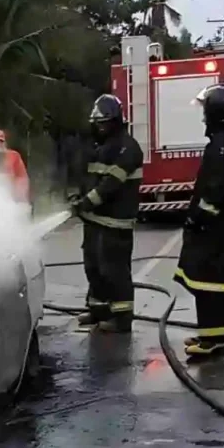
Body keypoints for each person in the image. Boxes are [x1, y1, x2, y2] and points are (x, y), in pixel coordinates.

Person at [176, 83, 224, 357]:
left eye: (206, 110)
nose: (204, 116)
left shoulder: (223, 145)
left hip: (216, 230)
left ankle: (212, 340)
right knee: (220, 286)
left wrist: (198, 218)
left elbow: (217, 189)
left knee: (208, 284)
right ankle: (219, 333)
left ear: (216, 111)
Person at [69, 94, 144, 333]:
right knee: (93, 268)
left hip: (116, 223)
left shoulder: (128, 149)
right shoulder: (98, 147)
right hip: (93, 222)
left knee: (115, 272)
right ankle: (98, 311)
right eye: (97, 123)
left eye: (104, 123)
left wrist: (87, 202)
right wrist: (74, 195)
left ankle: (121, 319)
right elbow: (85, 176)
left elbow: (111, 184)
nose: (100, 127)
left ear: (115, 121)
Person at [0, 130, 31, 204]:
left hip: (13, 199)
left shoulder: (14, 156)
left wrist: (20, 197)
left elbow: (22, 177)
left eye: (1, 141)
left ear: (5, 142)